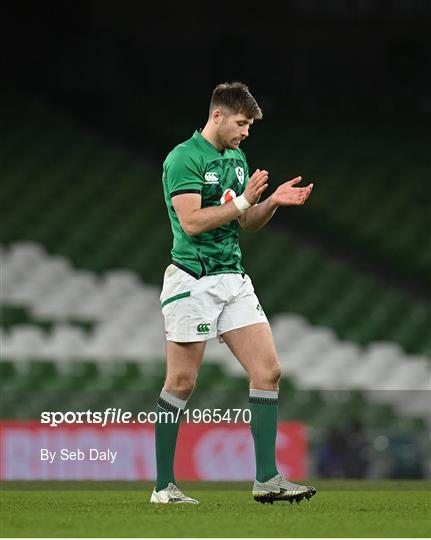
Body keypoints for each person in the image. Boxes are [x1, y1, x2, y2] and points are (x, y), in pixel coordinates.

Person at [150, 81, 316, 505]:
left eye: (249, 126)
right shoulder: (183, 158)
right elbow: (190, 222)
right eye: (242, 123)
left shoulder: (237, 159)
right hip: (192, 279)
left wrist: (272, 202)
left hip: (233, 277)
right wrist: (243, 202)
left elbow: (246, 223)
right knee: (182, 382)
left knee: (269, 371)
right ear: (218, 115)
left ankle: (267, 479)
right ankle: (163, 487)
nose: (246, 133)